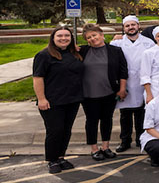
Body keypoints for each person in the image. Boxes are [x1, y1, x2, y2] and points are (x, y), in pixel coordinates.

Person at [33, 27, 85, 174]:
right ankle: (52, 160)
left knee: (66, 131)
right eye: (60, 36)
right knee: (55, 131)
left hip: (72, 99)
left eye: (67, 36)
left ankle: (61, 157)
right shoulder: (44, 55)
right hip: (52, 101)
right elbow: (37, 78)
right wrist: (41, 99)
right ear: (53, 38)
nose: (64, 38)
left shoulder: (74, 53)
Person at [78, 24, 128, 161]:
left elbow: (123, 71)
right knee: (92, 121)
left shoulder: (115, 50)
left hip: (109, 92)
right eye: (89, 37)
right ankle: (94, 149)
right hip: (88, 94)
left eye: (94, 35)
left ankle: (106, 147)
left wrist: (122, 89)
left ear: (101, 34)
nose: (92, 39)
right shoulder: (82, 51)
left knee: (107, 119)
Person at [110, 16, 154, 152]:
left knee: (141, 114)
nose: (131, 27)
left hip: (143, 83)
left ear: (138, 26)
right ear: (123, 28)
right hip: (125, 83)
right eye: (127, 25)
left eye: (133, 25)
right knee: (125, 114)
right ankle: (125, 141)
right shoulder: (117, 43)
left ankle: (141, 140)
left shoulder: (148, 43)